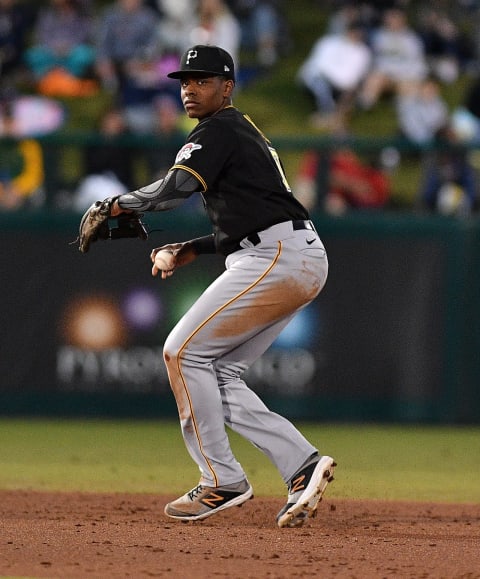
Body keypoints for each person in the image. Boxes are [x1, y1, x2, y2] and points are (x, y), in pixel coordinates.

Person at [102, 45, 336, 527]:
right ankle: (302, 465)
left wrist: (116, 205)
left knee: (182, 351)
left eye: (203, 80)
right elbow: (256, 212)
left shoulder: (218, 130)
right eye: (185, 80)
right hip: (286, 252)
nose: (190, 88)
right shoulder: (236, 132)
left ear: (227, 87)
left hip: (275, 254)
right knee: (218, 372)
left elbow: (174, 190)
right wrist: (196, 246)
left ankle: (221, 481)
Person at [296, 20, 372, 134]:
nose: (356, 35)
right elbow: (318, 66)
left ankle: (332, 121)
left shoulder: (363, 52)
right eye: (354, 31)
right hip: (317, 82)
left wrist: (341, 82)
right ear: (348, 31)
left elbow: (352, 78)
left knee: (350, 92)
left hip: (343, 89)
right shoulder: (328, 42)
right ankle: (330, 116)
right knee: (319, 82)